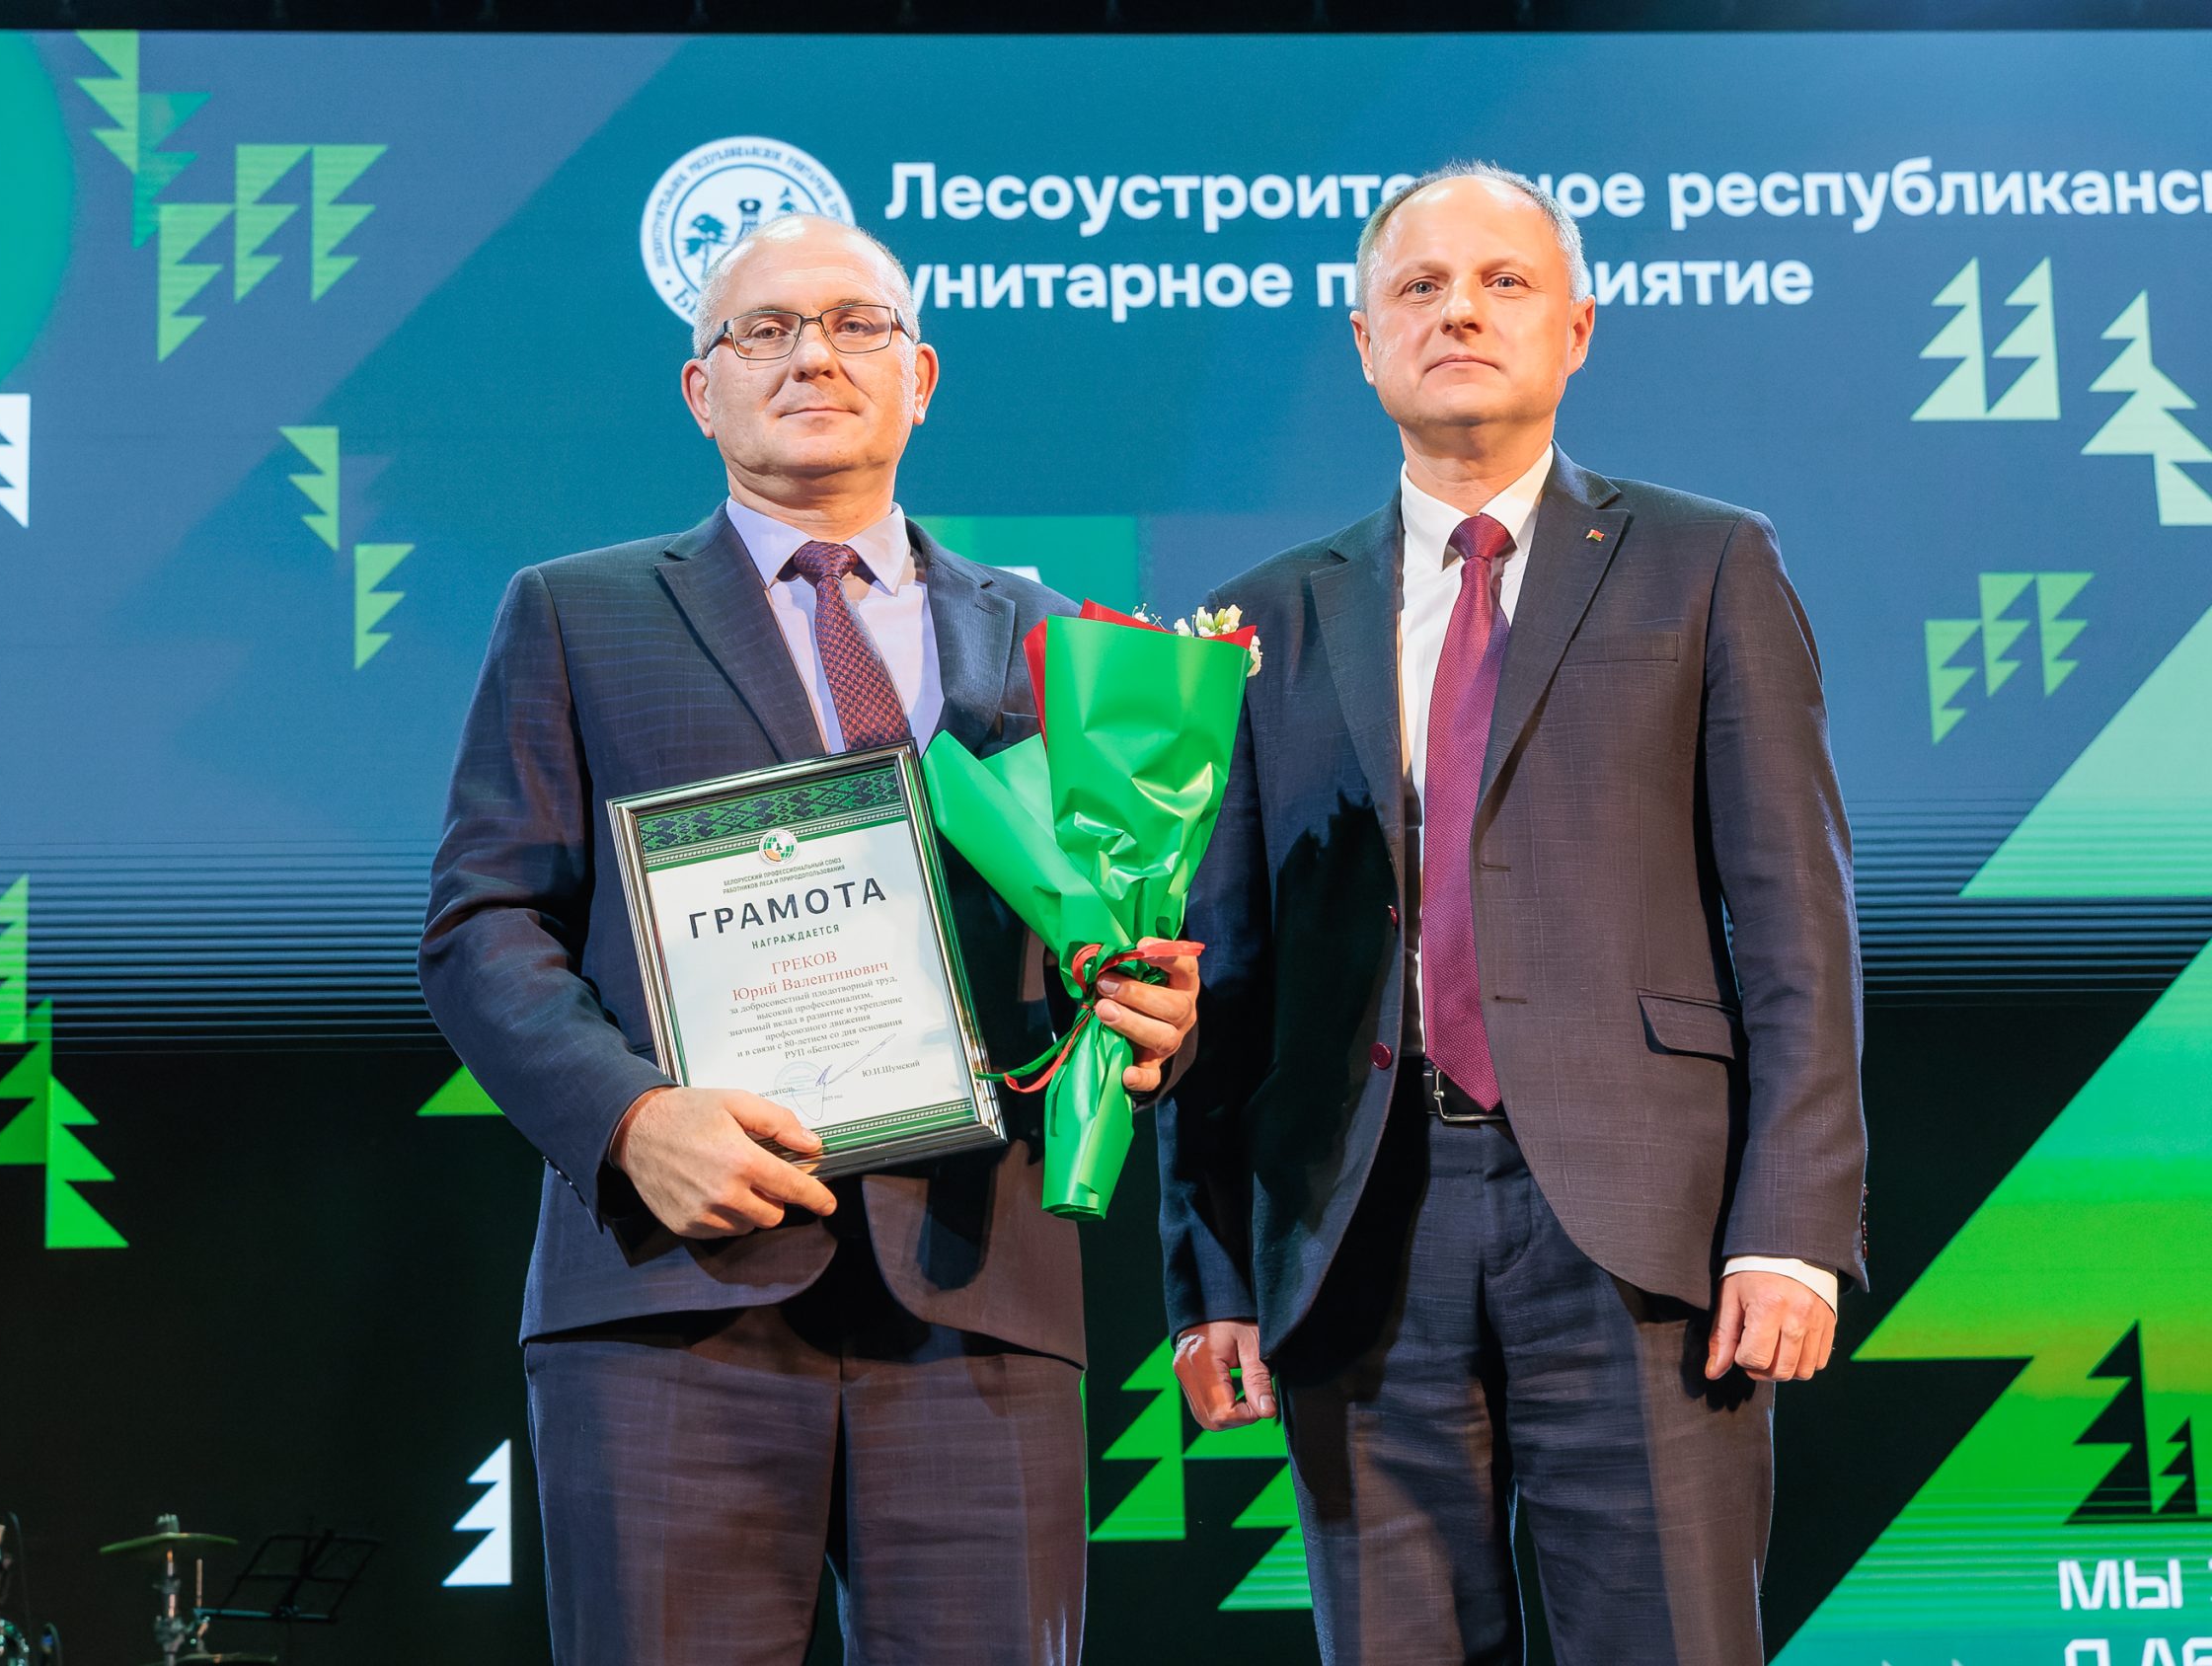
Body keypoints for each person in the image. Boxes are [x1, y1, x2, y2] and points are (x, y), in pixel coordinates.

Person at [420, 213, 1195, 1666]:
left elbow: (1103, 935)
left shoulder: (1055, 642)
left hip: (978, 1288)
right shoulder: (578, 613)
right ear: (700, 389)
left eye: (854, 324)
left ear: (921, 377)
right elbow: (484, 924)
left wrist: (1146, 1012)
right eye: (764, 330)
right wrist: (630, 1120)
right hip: (675, 1293)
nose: (811, 356)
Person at [1155, 163, 1867, 1664]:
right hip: (1353, 1230)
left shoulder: (1706, 562)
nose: (1460, 313)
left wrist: (1792, 1229)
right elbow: (1222, 973)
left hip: (1647, 1232)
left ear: (1577, 329)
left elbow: (1795, 923)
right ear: (1366, 343)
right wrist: (1211, 1266)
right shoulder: (1258, 619)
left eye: (1503, 282)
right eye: (1419, 288)